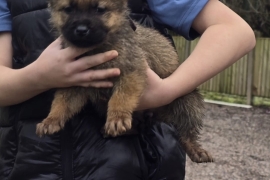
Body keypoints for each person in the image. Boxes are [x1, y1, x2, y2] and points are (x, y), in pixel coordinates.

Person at [0, 0, 255, 179]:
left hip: (139, 162)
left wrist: (166, 91)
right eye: (67, 9)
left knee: (188, 106)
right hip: (32, 165)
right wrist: (38, 77)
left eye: (99, 9)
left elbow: (237, 31)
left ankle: (190, 139)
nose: (80, 24)